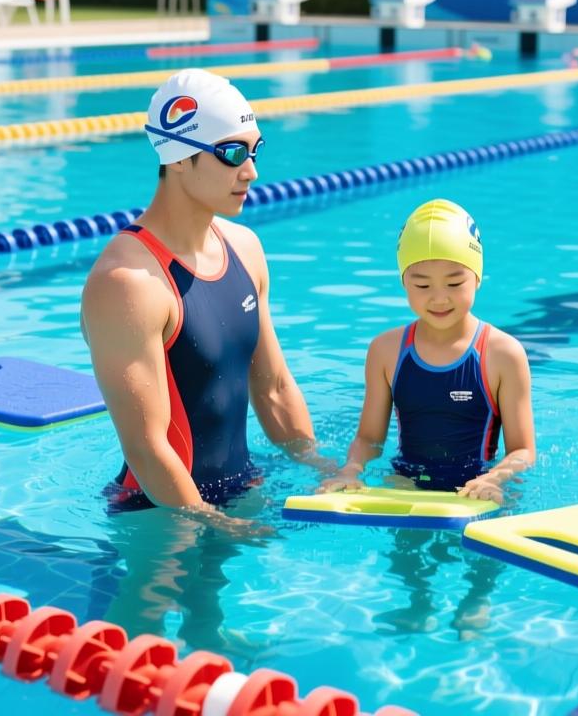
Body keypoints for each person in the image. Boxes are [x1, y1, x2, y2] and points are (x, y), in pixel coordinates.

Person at [82, 68, 322, 536]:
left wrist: (320, 467)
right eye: (232, 153)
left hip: (239, 495)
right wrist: (214, 523)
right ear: (177, 158)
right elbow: (147, 448)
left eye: (255, 150)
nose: (251, 171)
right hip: (157, 517)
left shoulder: (245, 248)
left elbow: (273, 388)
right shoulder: (129, 283)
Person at [321, 198, 536, 503]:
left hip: (475, 493)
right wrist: (351, 470)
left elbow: (523, 450)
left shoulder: (502, 354)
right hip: (405, 488)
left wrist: (494, 478)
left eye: (454, 283)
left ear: (477, 278)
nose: (438, 298)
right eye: (422, 286)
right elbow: (369, 438)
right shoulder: (386, 351)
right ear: (403, 283)